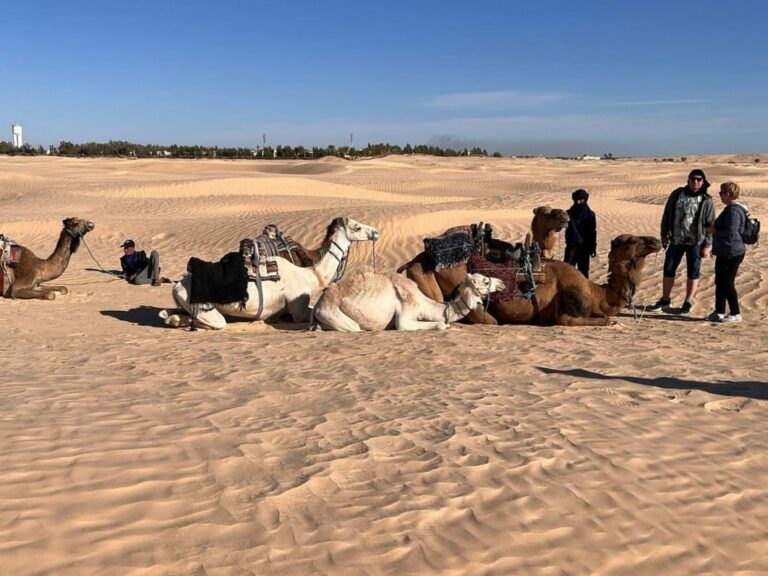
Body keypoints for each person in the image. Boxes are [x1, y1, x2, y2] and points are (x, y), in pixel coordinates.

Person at [648, 168, 716, 314]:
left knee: (693, 272)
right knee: (668, 269)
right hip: (676, 240)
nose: (695, 182)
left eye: (699, 180)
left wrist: (708, 244)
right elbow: (667, 215)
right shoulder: (677, 194)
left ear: (703, 182)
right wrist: (664, 235)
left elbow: (710, 224)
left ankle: (688, 302)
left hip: (696, 242)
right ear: (688, 180)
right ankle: (665, 300)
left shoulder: (706, 200)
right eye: (693, 179)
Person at [706, 182, 747, 323]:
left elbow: (731, 231)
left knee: (728, 282)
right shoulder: (730, 209)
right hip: (724, 251)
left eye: (721, 193)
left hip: (732, 252)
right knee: (720, 281)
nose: (720, 195)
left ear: (728, 194)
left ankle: (736, 313)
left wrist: (714, 230)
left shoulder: (733, 211)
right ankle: (719, 311)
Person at [564, 188, 597, 278]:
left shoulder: (591, 215)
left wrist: (593, 247)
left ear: (585, 200)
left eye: (580, 200)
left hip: (584, 248)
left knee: (583, 274)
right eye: (576, 200)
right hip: (571, 247)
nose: (578, 202)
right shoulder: (568, 214)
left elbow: (593, 232)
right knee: (567, 273)